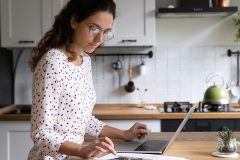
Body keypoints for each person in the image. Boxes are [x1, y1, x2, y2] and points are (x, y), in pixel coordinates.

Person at [27, 0, 149, 159]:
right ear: (73, 22)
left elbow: (82, 120)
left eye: (106, 32)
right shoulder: (53, 62)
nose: (100, 38)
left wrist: (124, 134)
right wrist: (79, 150)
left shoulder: (85, 61)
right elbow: (40, 133)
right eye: (95, 29)